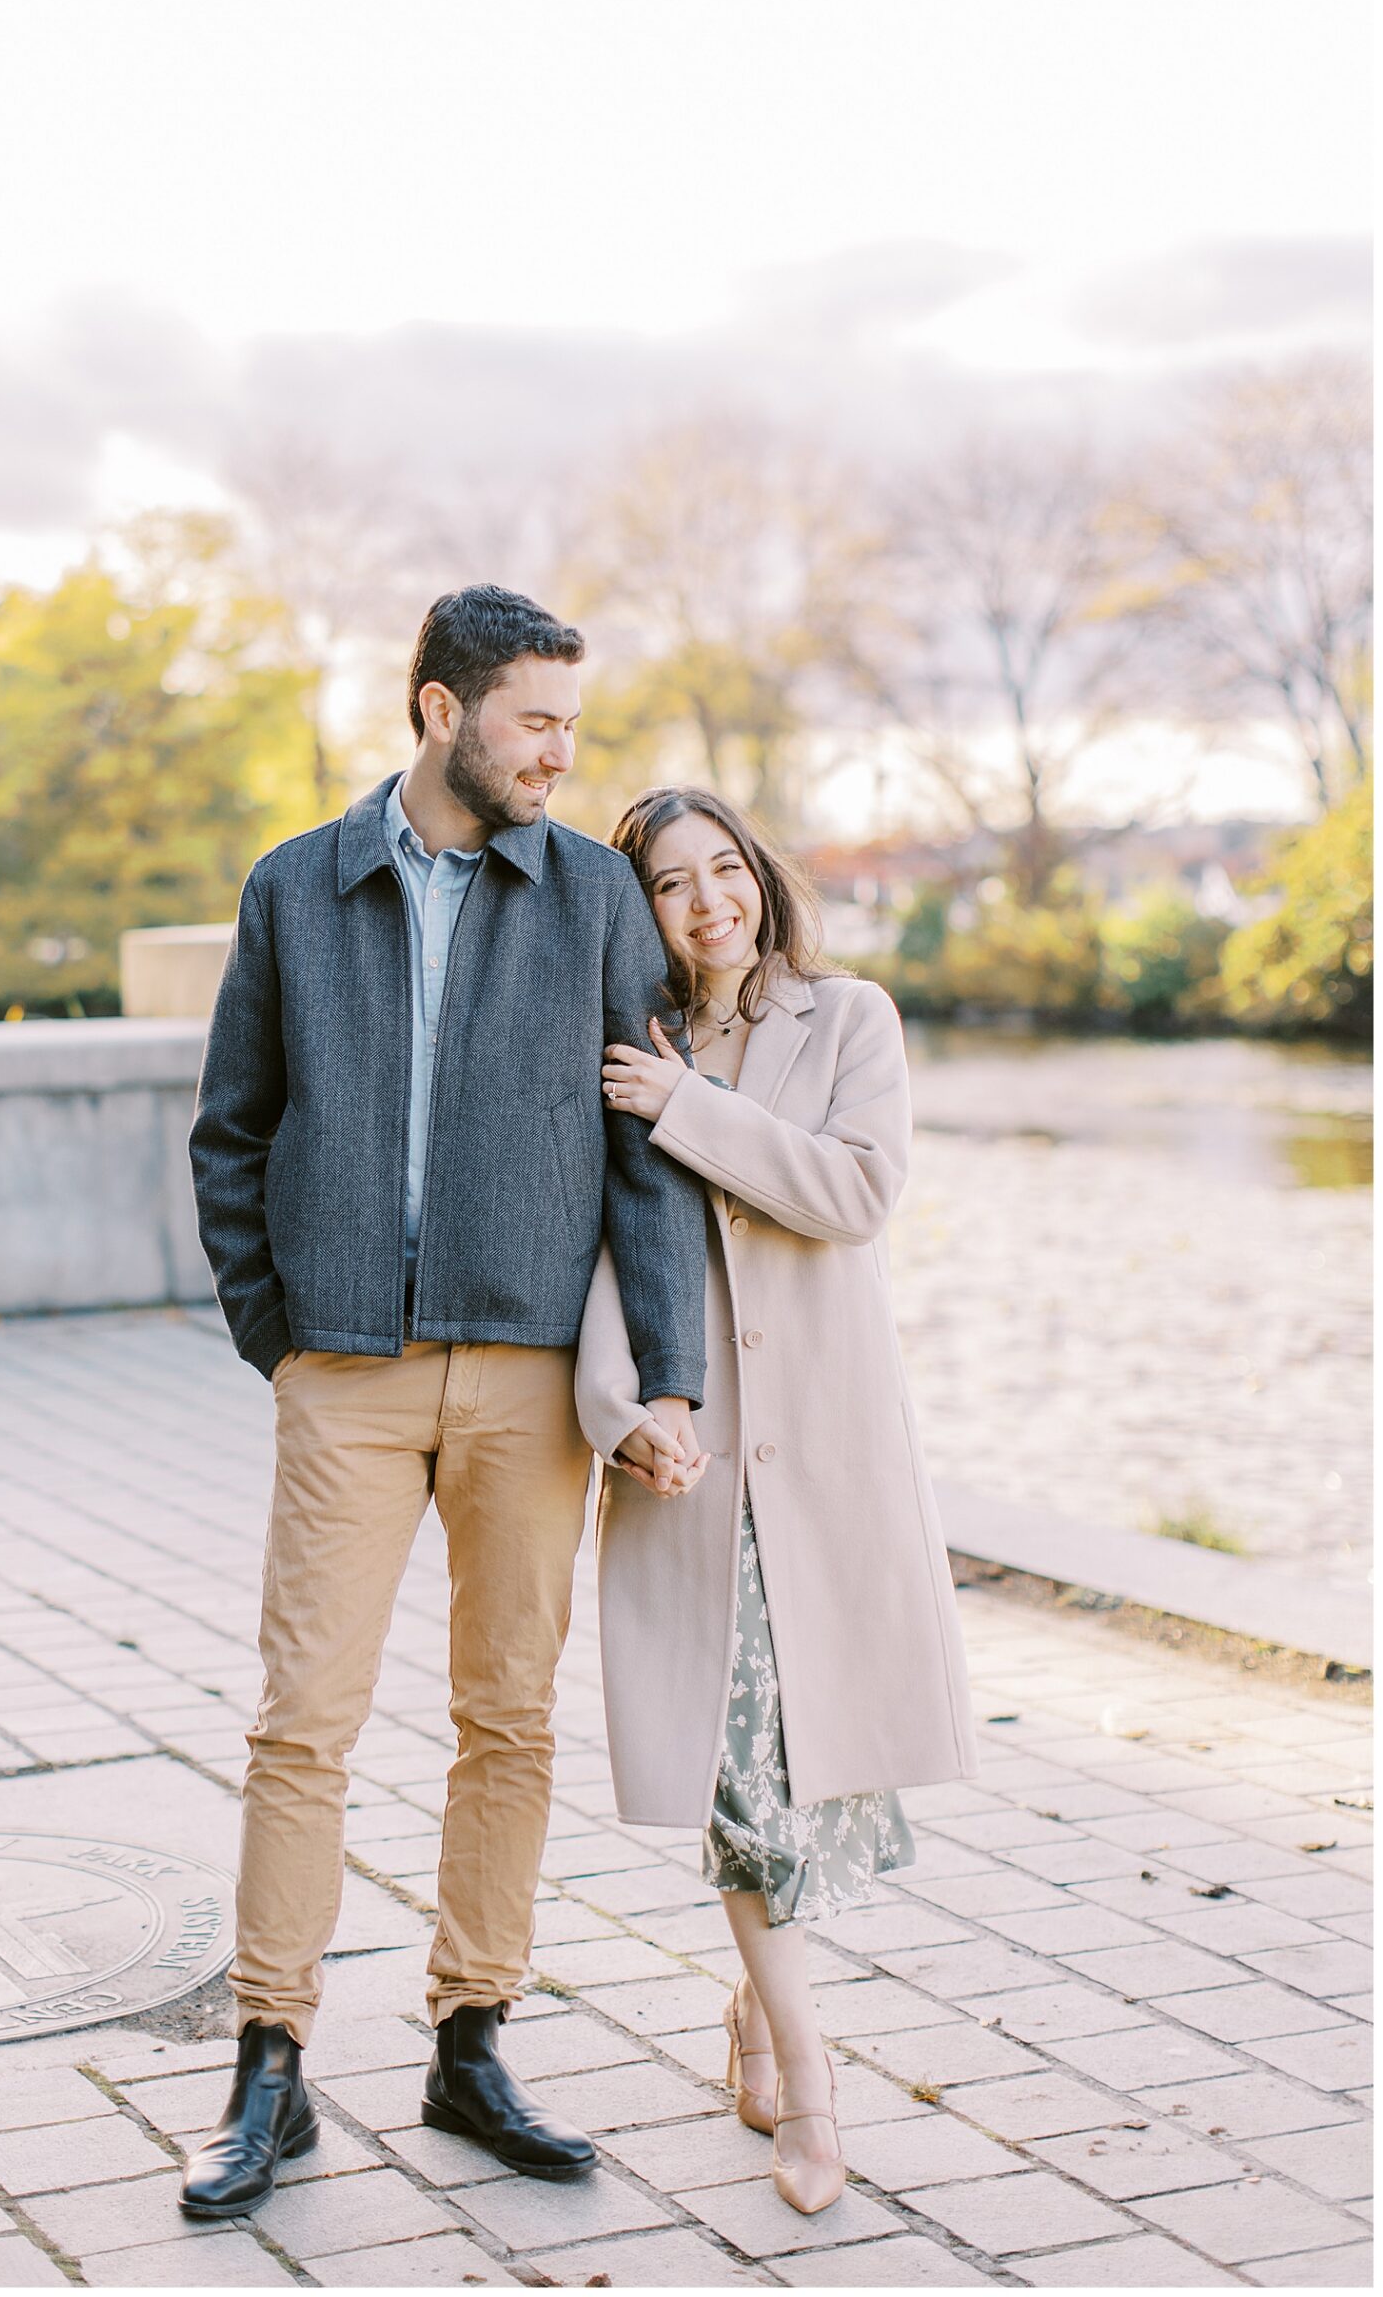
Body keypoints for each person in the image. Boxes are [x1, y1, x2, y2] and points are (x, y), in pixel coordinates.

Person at [180, 588, 710, 2217]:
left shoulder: (596, 896)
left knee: (508, 1722)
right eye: (534, 719)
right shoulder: (295, 887)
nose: (561, 751)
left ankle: (470, 2040)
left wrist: (665, 1377)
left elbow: (646, 1155)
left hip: (531, 1383)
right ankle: (270, 2069)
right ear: (438, 712)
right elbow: (231, 1132)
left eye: (569, 720)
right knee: (302, 1727)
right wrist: (281, 1330)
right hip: (342, 1371)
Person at [576, 785, 979, 2217]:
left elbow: (853, 1191)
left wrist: (688, 1107)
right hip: (696, 1462)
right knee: (738, 1770)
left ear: (758, 878)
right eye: (671, 885)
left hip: (824, 1453)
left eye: (723, 870)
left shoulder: (846, 1019)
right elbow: (605, 1255)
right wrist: (621, 1414)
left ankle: (752, 2006)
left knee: (804, 1771)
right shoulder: (622, 1047)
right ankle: (811, 2077)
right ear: (640, 913)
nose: (707, 903)